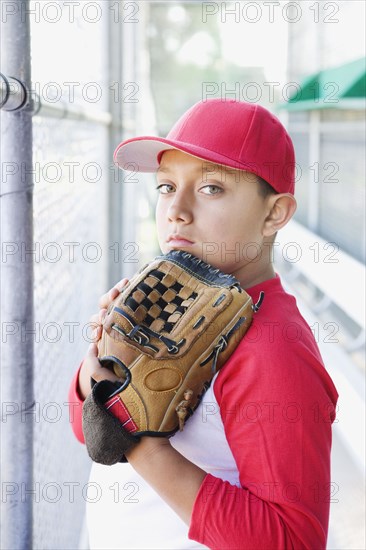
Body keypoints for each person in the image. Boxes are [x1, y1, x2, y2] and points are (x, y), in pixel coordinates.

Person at [68, 99, 338, 549]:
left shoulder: (273, 347)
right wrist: (95, 371)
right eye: (166, 187)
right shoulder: (162, 296)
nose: (177, 210)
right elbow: (89, 434)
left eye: (211, 188)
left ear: (274, 213)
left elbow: (294, 539)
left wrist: (144, 445)